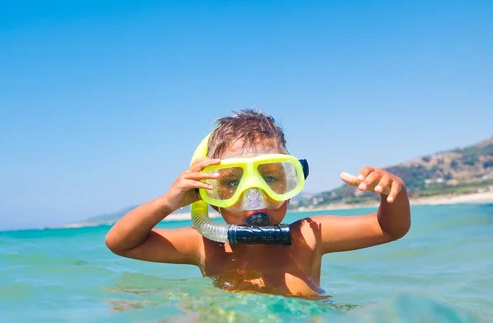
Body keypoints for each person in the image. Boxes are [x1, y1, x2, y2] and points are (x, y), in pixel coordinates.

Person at [105, 109, 411, 297]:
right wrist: (168, 202)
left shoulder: (308, 235)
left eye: (271, 178)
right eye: (232, 182)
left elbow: (389, 228)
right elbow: (121, 244)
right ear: (208, 195)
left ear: (291, 184)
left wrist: (392, 192)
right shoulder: (205, 244)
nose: (254, 196)